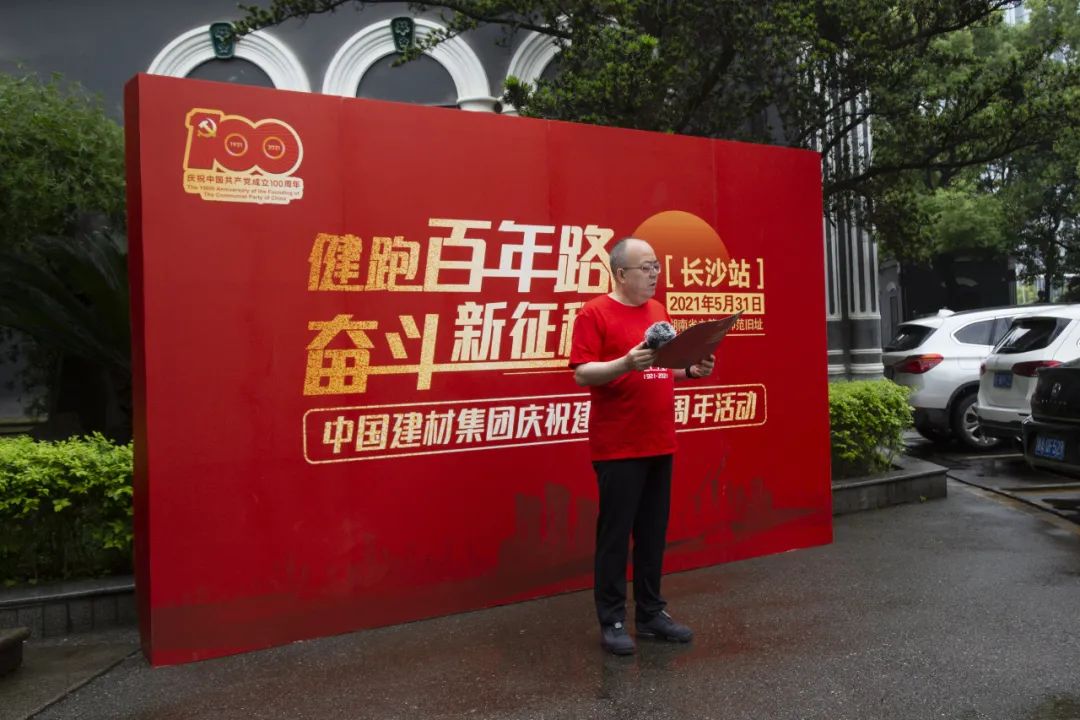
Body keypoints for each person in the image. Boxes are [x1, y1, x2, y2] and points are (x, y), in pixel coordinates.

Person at [568, 236, 715, 656]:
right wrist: (624, 363)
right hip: (618, 446)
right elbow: (582, 373)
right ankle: (612, 620)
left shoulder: (657, 311)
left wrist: (692, 370)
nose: (654, 275)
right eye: (646, 267)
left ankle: (651, 613)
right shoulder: (594, 313)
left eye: (656, 267)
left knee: (652, 534)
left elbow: (664, 369)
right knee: (616, 537)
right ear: (621, 273)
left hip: (659, 440)